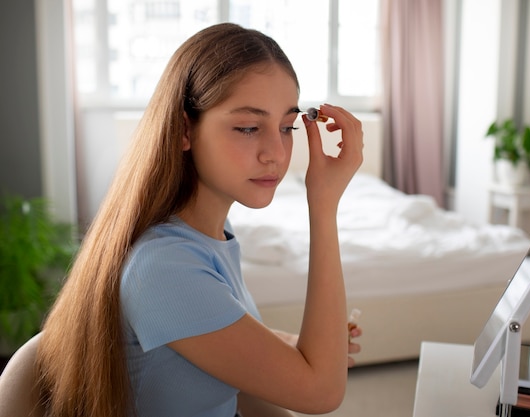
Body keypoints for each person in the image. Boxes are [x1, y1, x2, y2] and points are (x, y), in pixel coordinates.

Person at [35, 22, 364, 417]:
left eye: (286, 127)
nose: (276, 152)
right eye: (247, 127)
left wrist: (302, 345)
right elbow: (321, 393)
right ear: (184, 130)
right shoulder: (164, 267)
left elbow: (217, 336)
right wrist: (323, 205)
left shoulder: (210, 238)